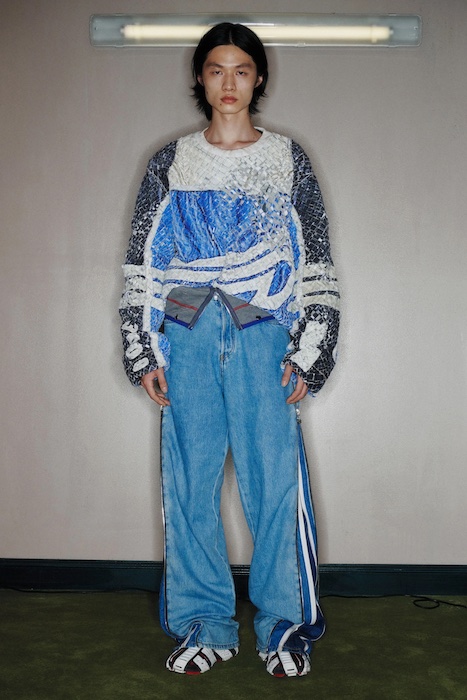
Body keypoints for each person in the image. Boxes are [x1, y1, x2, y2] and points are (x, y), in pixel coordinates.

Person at [119, 22, 339, 678]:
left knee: (273, 484)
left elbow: (315, 258)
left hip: (261, 334)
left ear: (258, 77)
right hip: (186, 335)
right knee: (190, 485)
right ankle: (204, 623)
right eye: (216, 69)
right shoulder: (171, 161)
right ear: (200, 78)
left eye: (241, 70)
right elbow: (143, 257)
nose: (229, 83)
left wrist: (311, 352)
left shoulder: (287, 159)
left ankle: (283, 627)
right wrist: (142, 350)